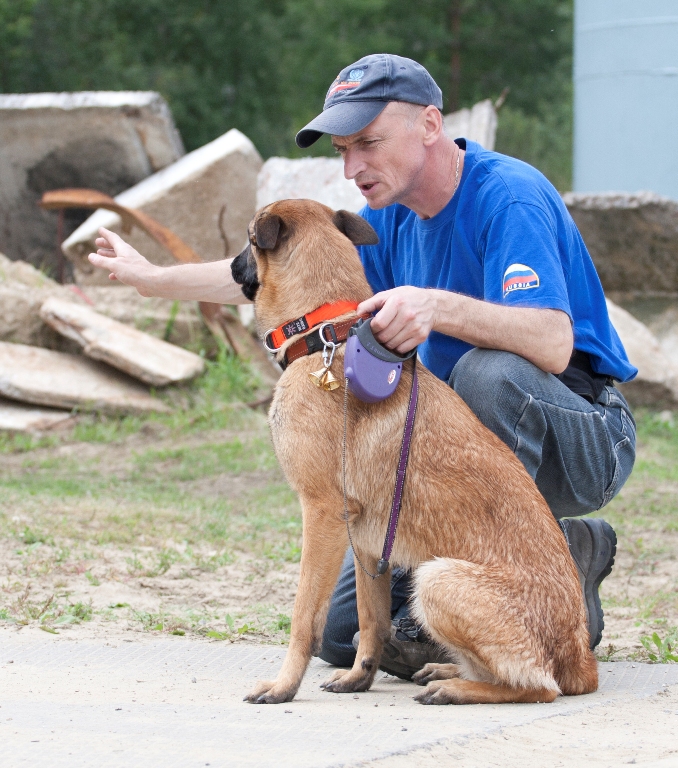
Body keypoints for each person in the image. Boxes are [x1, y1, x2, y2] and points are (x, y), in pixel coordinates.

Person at [88, 53, 637, 680]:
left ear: (430, 125)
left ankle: (529, 582)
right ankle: (558, 563)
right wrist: (152, 279)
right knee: (347, 640)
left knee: (486, 376)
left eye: (368, 144)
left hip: (581, 431)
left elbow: (552, 342)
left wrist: (434, 307)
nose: (352, 168)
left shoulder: (508, 196)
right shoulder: (389, 217)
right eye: (343, 150)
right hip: (460, 454)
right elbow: (272, 268)